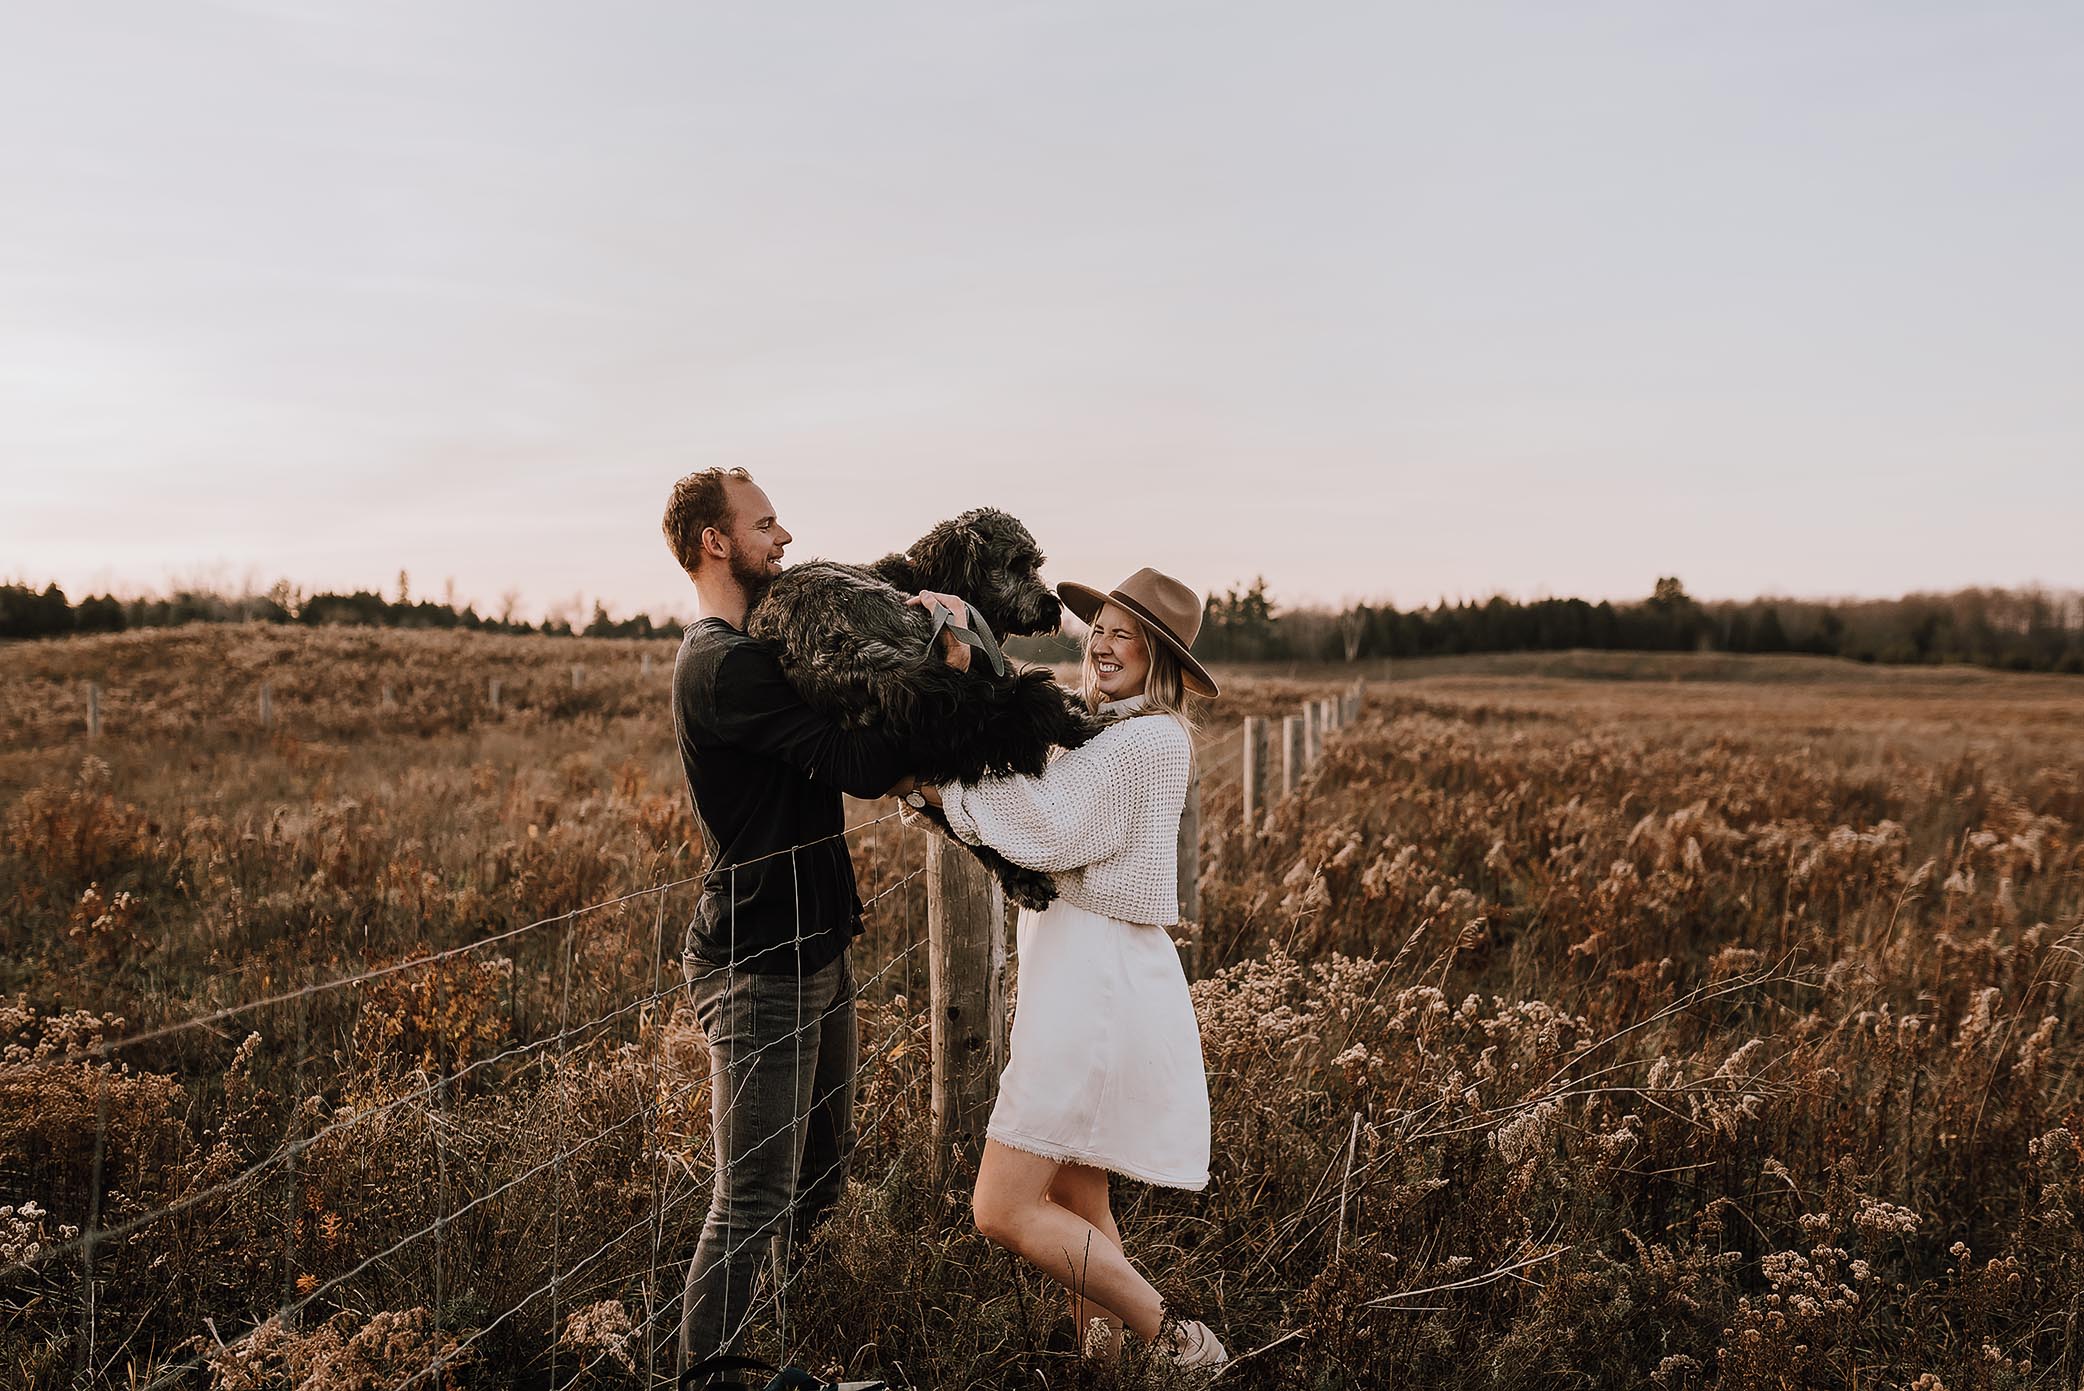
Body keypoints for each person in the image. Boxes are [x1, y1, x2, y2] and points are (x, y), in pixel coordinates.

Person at [661, 466, 966, 1382]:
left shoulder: (763, 649)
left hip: (817, 948)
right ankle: (705, 1374)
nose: (784, 537)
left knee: (822, 1175)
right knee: (752, 1194)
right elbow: (859, 759)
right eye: (765, 523)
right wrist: (942, 670)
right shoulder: (724, 665)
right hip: (759, 963)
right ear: (717, 541)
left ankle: (783, 1352)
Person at [912, 566, 1230, 1369]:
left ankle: (1183, 1342)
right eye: (1102, 628)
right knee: (1078, 1198)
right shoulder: (1103, 734)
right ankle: (1104, 1366)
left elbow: (1049, 827)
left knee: (1002, 1204)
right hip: (1082, 975)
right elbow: (1029, 809)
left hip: (1095, 988)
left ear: (1160, 658)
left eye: (1129, 634)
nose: (1105, 643)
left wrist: (941, 781)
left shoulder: (1147, 740)